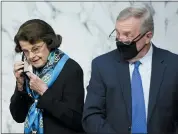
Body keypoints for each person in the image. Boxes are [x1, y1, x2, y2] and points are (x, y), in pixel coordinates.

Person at [82, 4, 178, 134]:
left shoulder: (173, 65)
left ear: (148, 36)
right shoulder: (102, 65)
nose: (120, 40)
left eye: (127, 35)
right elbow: (91, 116)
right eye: (117, 33)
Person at [9, 19, 85, 134]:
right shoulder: (28, 70)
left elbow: (77, 121)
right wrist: (20, 85)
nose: (31, 56)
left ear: (49, 42)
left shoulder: (71, 69)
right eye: (26, 51)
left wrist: (44, 92)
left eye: (36, 49)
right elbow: (18, 117)